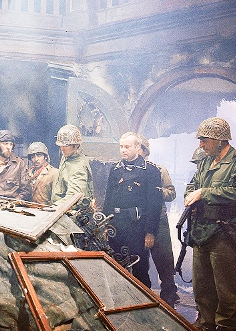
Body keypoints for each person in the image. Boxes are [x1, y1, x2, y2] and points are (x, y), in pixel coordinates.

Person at [184, 117, 236, 331]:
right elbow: (192, 185)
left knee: (224, 285)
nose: (201, 144)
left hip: (225, 230)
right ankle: (206, 325)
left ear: (219, 140)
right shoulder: (205, 162)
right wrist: (192, 196)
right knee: (202, 282)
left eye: (204, 140)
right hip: (202, 229)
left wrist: (204, 193)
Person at [102, 131, 163, 288]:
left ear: (137, 147)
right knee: (115, 268)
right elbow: (108, 199)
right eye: (121, 146)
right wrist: (105, 224)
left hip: (138, 227)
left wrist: (150, 232)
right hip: (116, 226)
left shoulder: (151, 171)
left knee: (140, 269)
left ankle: (143, 301)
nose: (123, 150)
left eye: (127, 147)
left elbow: (154, 205)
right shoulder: (115, 170)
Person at [138, 136, 179, 307]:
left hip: (158, 220)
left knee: (164, 263)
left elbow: (171, 193)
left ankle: (169, 299)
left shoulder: (159, 170)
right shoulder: (128, 171)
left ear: (144, 151)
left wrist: (155, 191)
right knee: (139, 264)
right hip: (138, 222)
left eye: (137, 147)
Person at [51, 124, 93, 207]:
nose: (62, 149)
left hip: (71, 210)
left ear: (76, 145)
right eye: (60, 145)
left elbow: (73, 198)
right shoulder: (67, 156)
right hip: (60, 206)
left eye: (66, 145)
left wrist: (53, 208)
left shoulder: (79, 167)